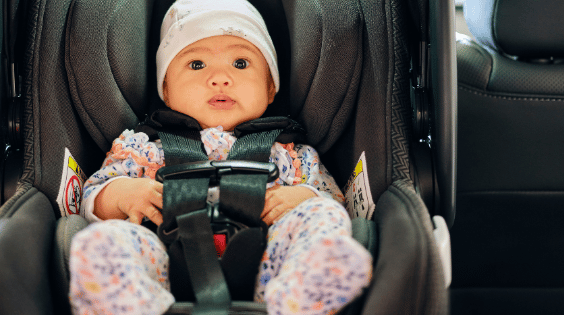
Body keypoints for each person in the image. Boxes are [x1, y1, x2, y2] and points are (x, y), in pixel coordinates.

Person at [69, 0, 372, 314]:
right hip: (161, 257)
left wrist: (303, 196)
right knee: (105, 241)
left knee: (323, 217)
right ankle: (132, 305)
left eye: (240, 63)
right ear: (167, 90)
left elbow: (333, 202)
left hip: (271, 261)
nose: (220, 78)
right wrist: (122, 194)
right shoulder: (141, 148)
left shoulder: (291, 154)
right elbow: (90, 197)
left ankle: (301, 298)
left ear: (270, 88)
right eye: (197, 64)